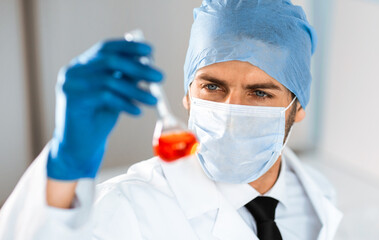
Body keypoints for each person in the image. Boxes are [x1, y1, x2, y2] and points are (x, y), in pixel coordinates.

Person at [0, 0, 342, 239]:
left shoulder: (314, 196)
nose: (230, 114)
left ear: (297, 109)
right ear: (187, 96)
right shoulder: (130, 208)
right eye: (212, 86)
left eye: (260, 93)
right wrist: (67, 163)